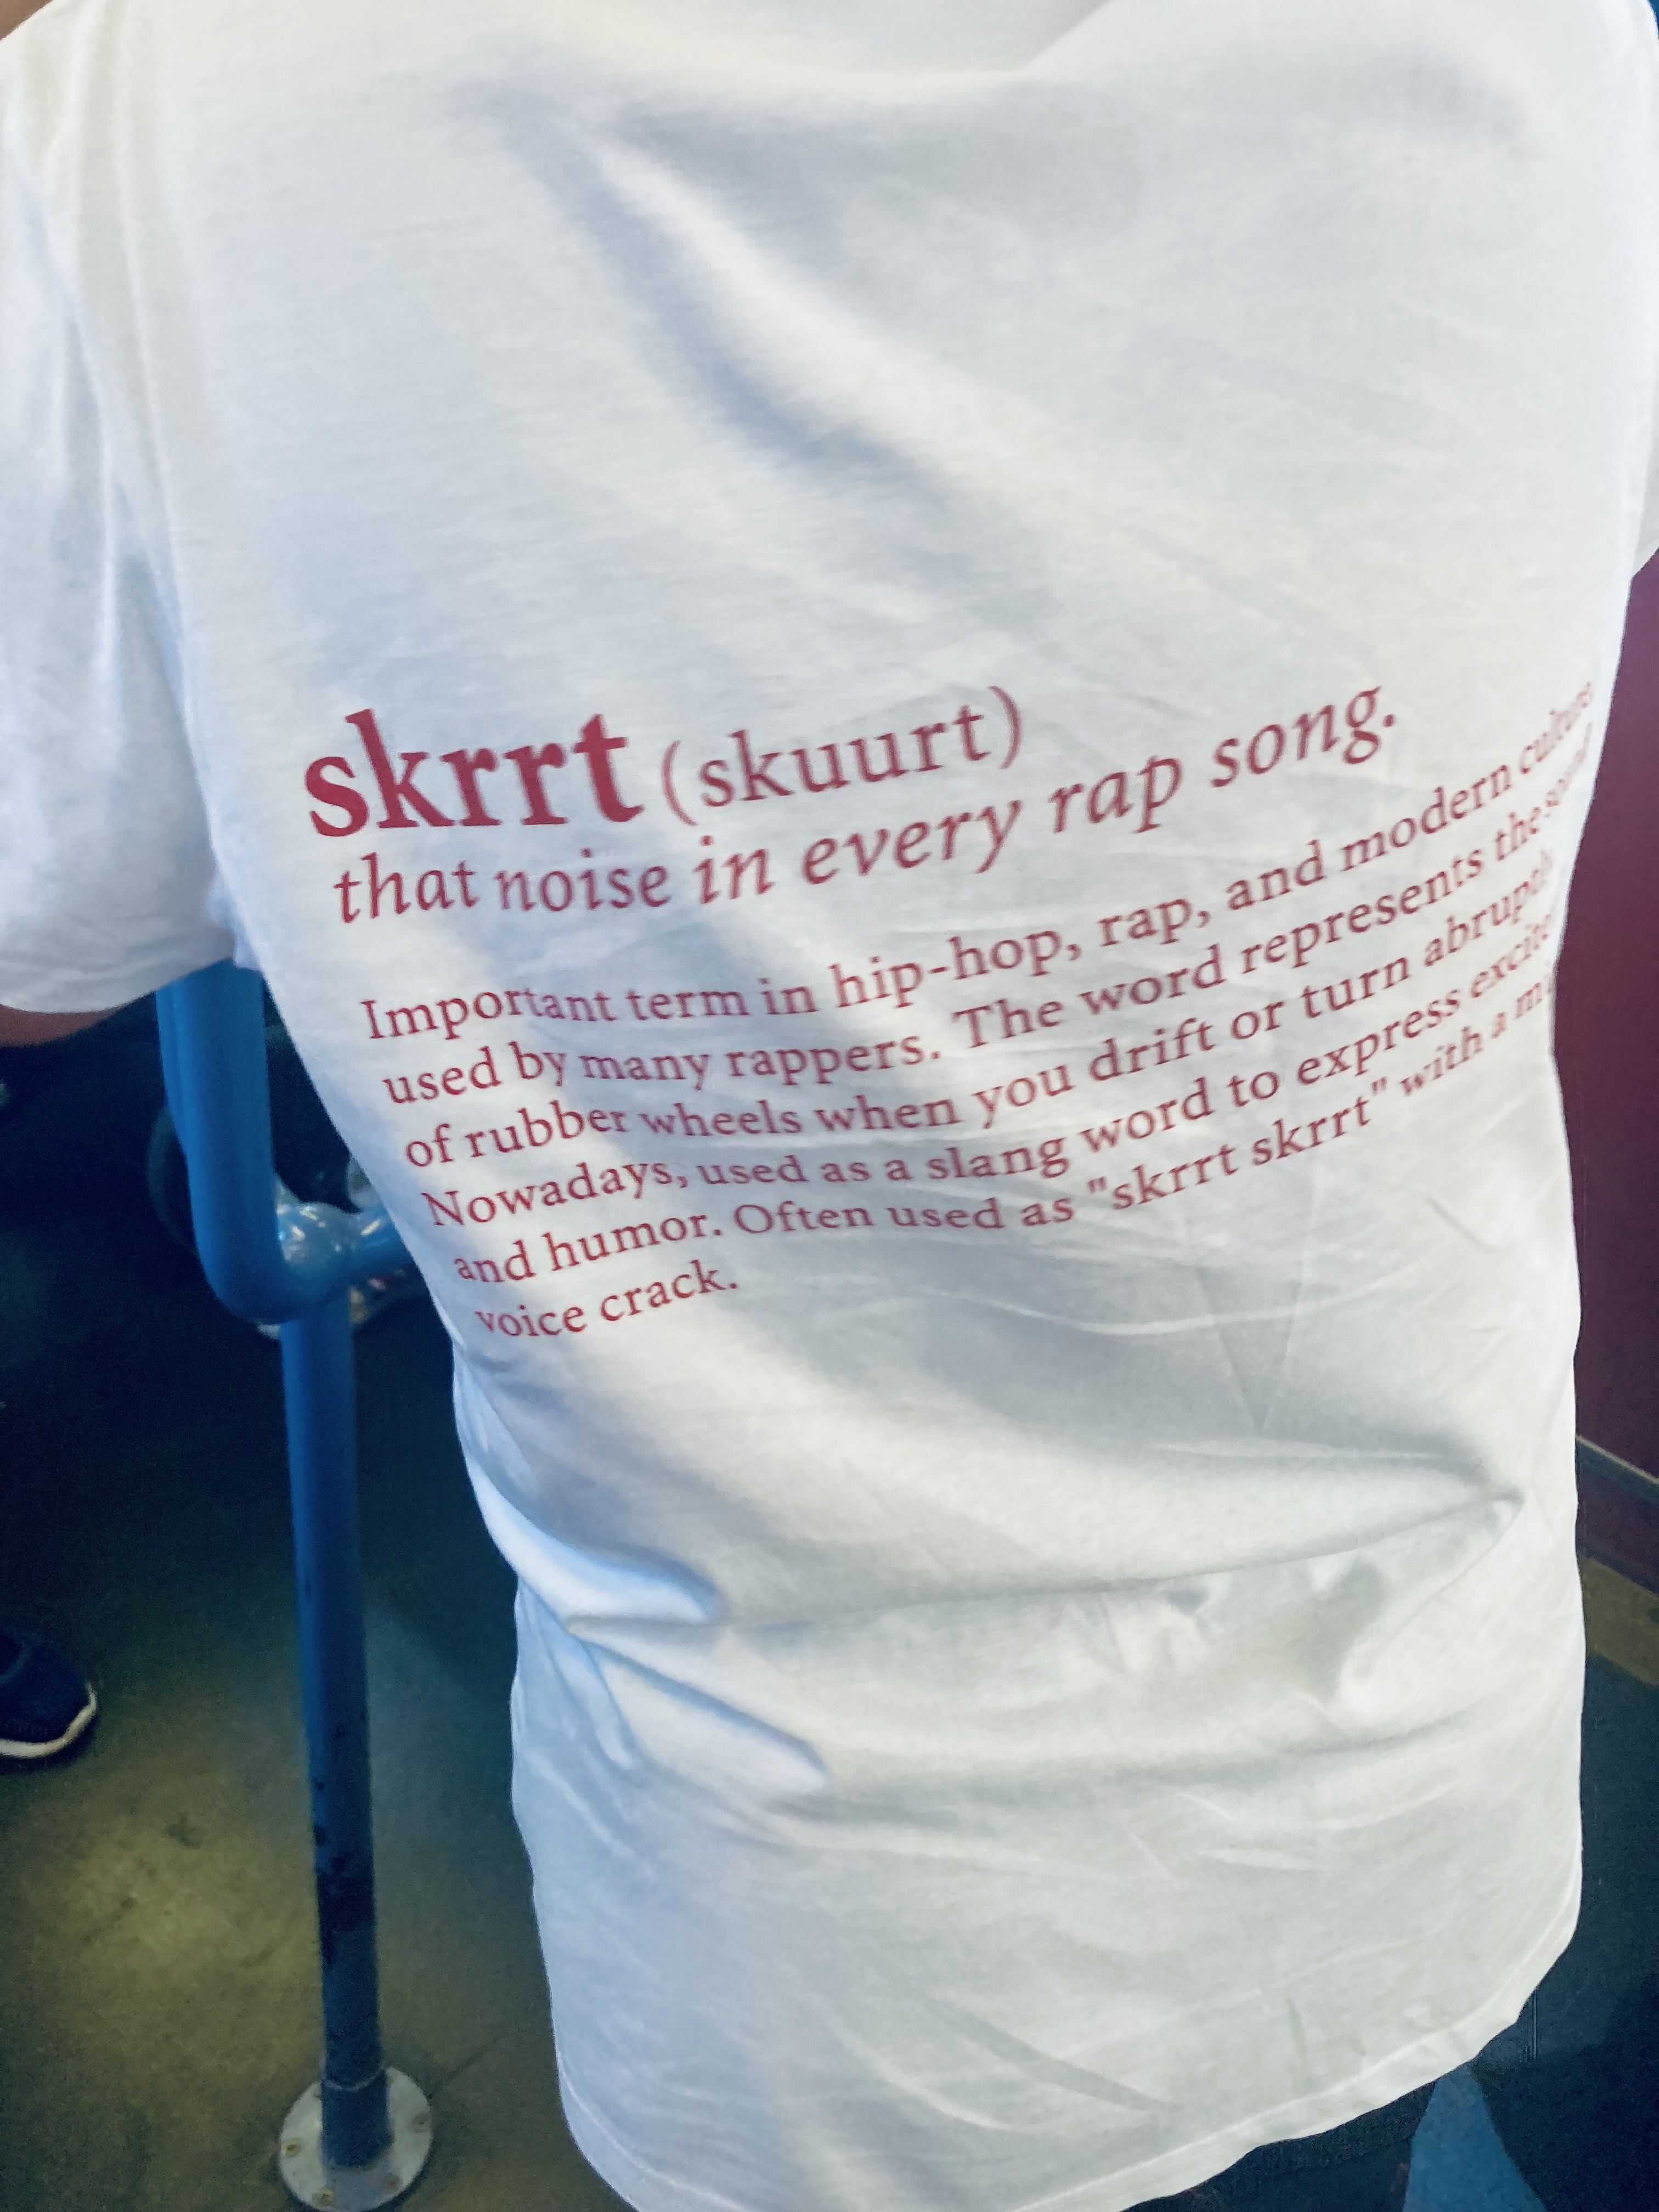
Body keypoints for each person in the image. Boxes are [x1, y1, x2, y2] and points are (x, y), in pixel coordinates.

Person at [3, 3, 1657, 2207]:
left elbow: (42, 952)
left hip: (803, 1932)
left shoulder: (139, 148)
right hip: (1398, 1777)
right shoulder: (1569, 47)